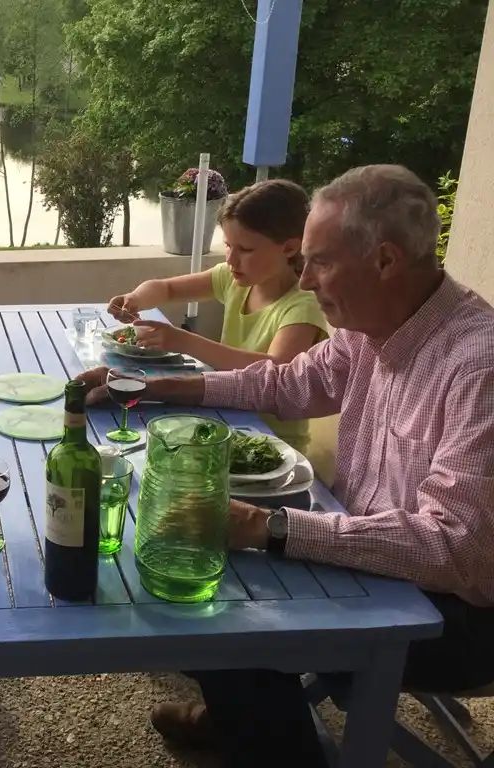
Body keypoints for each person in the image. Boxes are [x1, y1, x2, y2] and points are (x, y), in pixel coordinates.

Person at [77, 164, 494, 767]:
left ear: (384, 261)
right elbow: (285, 385)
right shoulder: (371, 325)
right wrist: (141, 387)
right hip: (374, 551)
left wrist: (264, 526)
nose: (307, 277)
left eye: (320, 261)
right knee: (182, 591)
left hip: (457, 612)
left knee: (226, 624)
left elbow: (457, 548)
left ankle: (262, 730)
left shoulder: (477, 366)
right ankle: (242, 718)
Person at [108, 179, 329, 454]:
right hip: (223, 419)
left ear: (289, 248)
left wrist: (185, 341)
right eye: (228, 245)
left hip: (270, 445)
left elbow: (275, 373)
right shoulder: (234, 278)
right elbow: (167, 288)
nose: (231, 260)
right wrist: (136, 298)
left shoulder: (302, 304)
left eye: (246, 249)